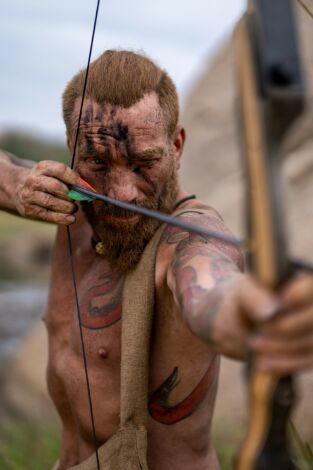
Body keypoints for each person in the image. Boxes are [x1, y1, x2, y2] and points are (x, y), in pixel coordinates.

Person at [1, 50, 313, 470]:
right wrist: (21, 183)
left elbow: (212, 291)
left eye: (144, 162)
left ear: (176, 145)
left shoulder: (191, 239)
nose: (123, 193)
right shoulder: (68, 202)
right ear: (72, 152)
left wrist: (256, 314)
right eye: (97, 162)